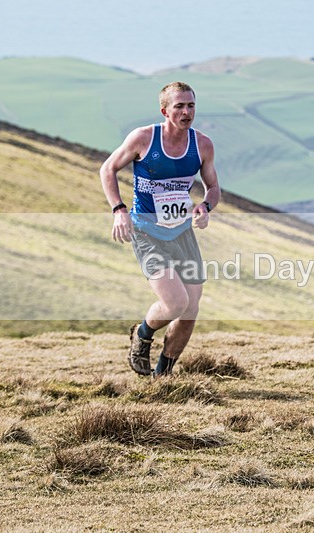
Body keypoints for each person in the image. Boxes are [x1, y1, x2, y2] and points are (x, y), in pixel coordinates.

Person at [100, 81, 220, 377]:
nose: (186, 111)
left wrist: (205, 207)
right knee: (175, 303)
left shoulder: (202, 144)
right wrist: (119, 210)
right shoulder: (143, 138)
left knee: (191, 308)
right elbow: (108, 169)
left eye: (191, 105)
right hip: (146, 230)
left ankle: (163, 373)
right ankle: (142, 335)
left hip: (181, 232)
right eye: (179, 106)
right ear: (164, 110)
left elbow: (213, 186)